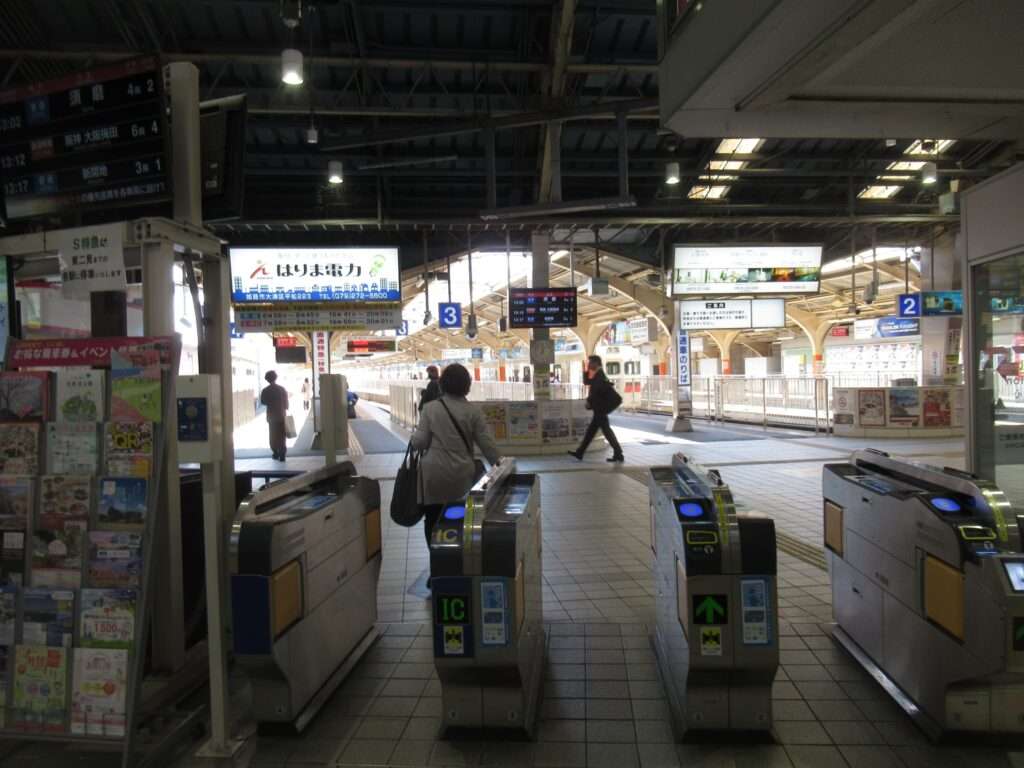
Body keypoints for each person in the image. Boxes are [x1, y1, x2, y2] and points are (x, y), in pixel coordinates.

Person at [410, 363, 500, 550]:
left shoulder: (430, 408)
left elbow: (419, 442)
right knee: (459, 520)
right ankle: (456, 561)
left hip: (433, 476)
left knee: (433, 519)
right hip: (461, 477)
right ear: (467, 385)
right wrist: (501, 466)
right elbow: (487, 445)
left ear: (443, 384)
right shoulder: (473, 411)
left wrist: (415, 437)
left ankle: (437, 563)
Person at [569, 355, 624, 463]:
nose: (589, 365)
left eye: (590, 363)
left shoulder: (600, 375)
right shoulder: (598, 375)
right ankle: (580, 452)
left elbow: (596, 391)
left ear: (596, 363)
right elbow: (587, 382)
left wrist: (589, 402)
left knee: (605, 431)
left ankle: (618, 453)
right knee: (593, 431)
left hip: (601, 409)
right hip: (600, 409)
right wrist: (585, 370)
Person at [260, 370, 289, 461]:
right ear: (275, 378)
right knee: (282, 436)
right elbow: (286, 404)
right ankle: (282, 454)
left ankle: (275, 452)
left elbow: (263, 402)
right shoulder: (282, 389)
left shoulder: (265, 390)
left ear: (267, 379)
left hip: (271, 417)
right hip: (281, 416)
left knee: (273, 435)